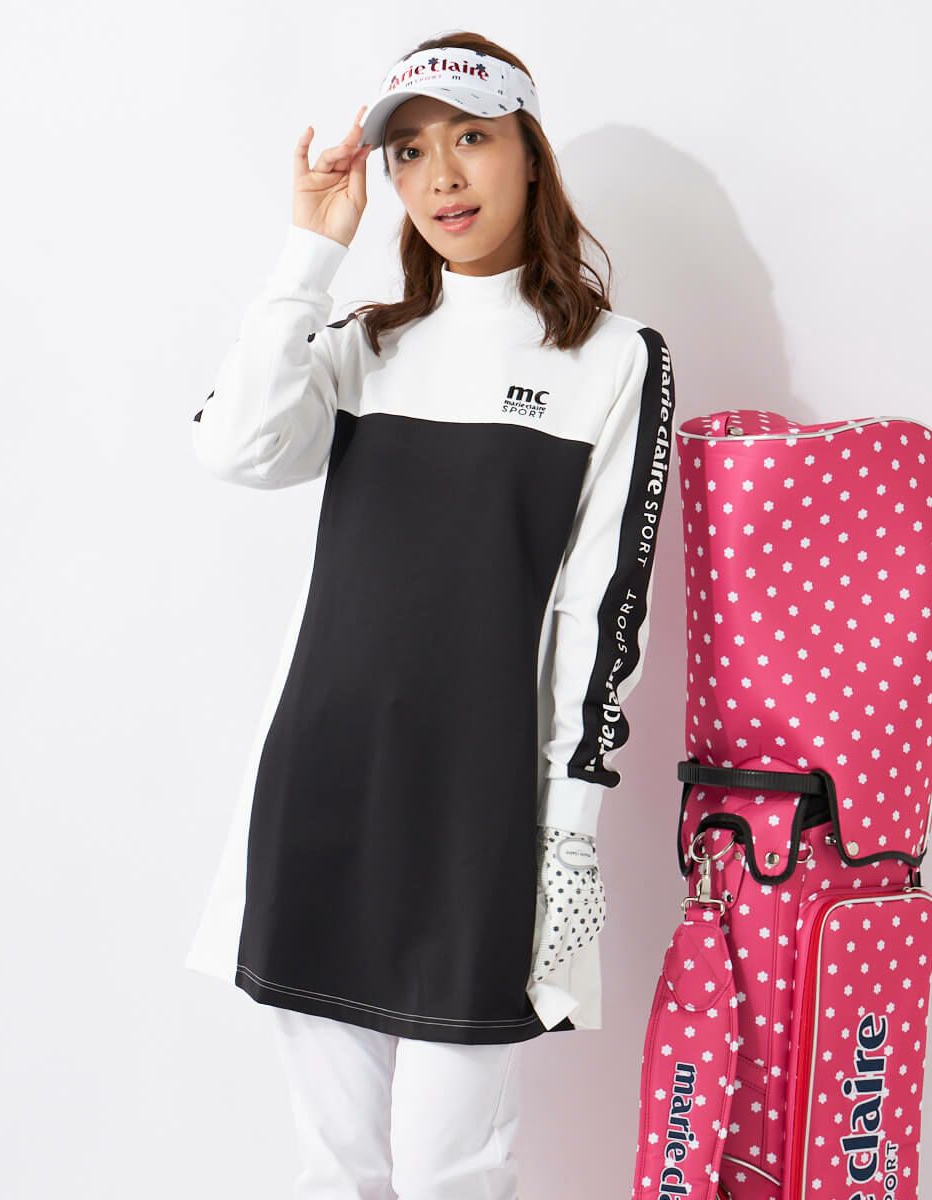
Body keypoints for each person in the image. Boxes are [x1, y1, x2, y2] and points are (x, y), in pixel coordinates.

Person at [186, 30, 676, 1199]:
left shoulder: (614, 360)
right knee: (336, 1166)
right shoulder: (363, 345)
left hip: (480, 809)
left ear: (529, 152)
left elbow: (606, 616)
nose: (441, 176)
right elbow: (235, 448)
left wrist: (567, 831)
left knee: (451, 1163)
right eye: (407, 151)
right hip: (322, 785)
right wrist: (310, 250)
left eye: (470, 138)